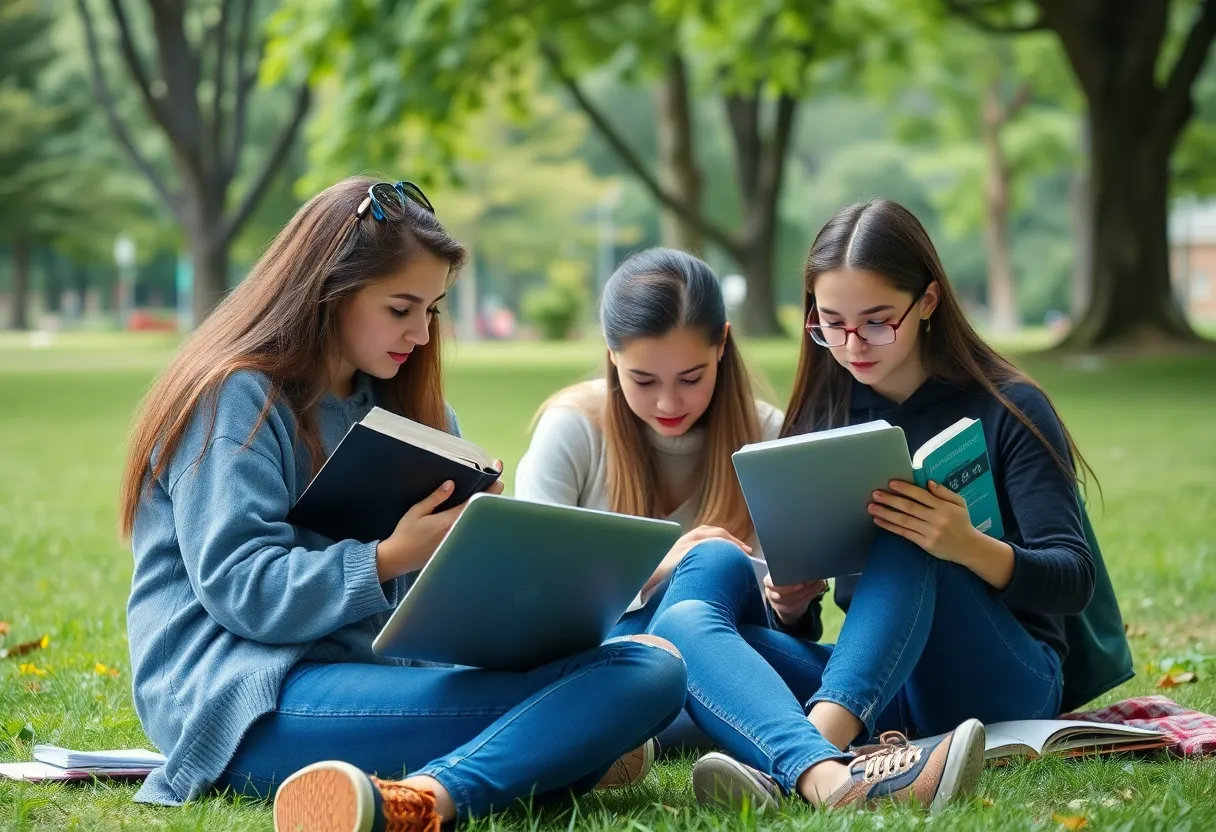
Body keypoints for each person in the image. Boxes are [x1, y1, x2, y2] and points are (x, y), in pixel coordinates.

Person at [118, 177, 688, 832]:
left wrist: (484, 556)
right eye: (400, 308)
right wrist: (390, 557)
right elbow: (241, 588)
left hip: (377, 673)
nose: (420, 332)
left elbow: (426, 610)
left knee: (649, 667)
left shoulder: (406, 405)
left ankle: (505, 762)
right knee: (626, 684)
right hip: (248, 695)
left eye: (433, 310)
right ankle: (484, 779)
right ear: (329, 290)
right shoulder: (237, 397)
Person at [644, 199, 1098, 813]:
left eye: (877, 321)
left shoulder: (1008, 405)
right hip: (877, 687)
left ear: (928, 302)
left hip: (1002, 679)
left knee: (906, 522)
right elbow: (822, 621)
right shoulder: (822, 415)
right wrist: (792, 605)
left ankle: (801, 758)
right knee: (682, 621)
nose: (852, 344)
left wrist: (964, 546)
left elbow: (1072, 581)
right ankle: (825, 773)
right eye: (831, 323)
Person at [514, 248, 799, 752]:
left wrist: (791, 602)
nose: (669, 403)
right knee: (709, 556)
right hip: (597, 660)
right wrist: (660, 563)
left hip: (721, 652)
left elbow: (776, 620)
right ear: (611, 355)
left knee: (716, 576)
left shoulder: (767, 437)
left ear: (722, 345)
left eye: (691, 378)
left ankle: (623, 725)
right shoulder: (573, 429)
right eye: (642, 380)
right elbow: (533, 602)